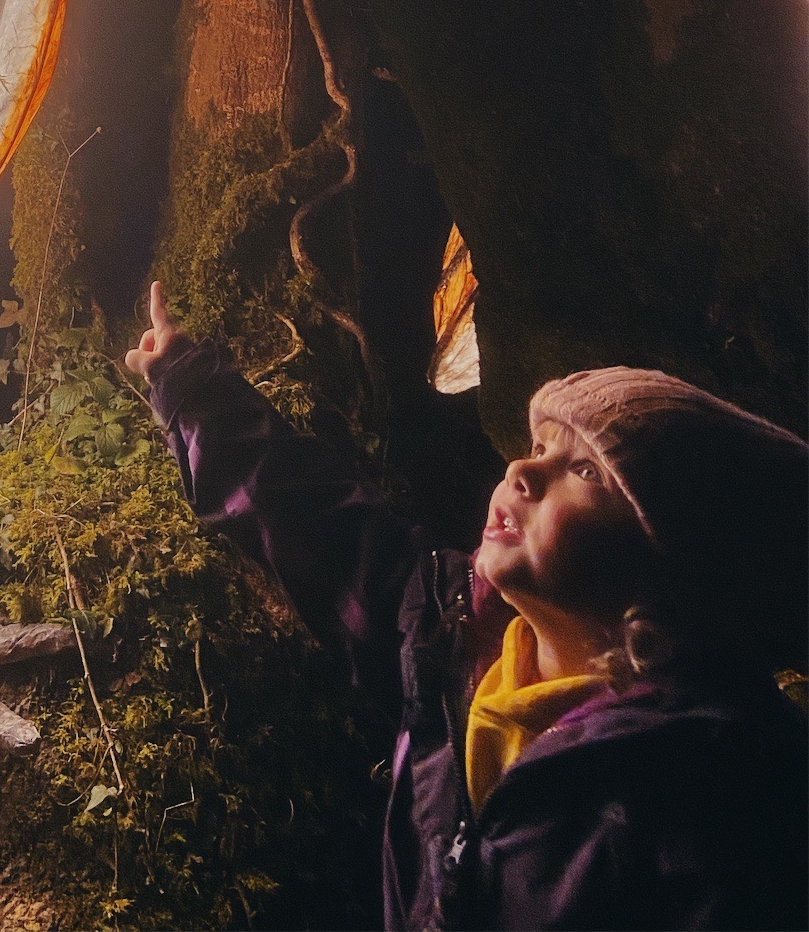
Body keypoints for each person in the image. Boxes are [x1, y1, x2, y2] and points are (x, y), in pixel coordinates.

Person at [125, 281, 809, 930]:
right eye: (539, 445)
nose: (521, 469)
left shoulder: (724, 803)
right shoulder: (455, 635)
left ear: (672, 566)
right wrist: (193, 390)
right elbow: (324, 526)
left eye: (586, 470)